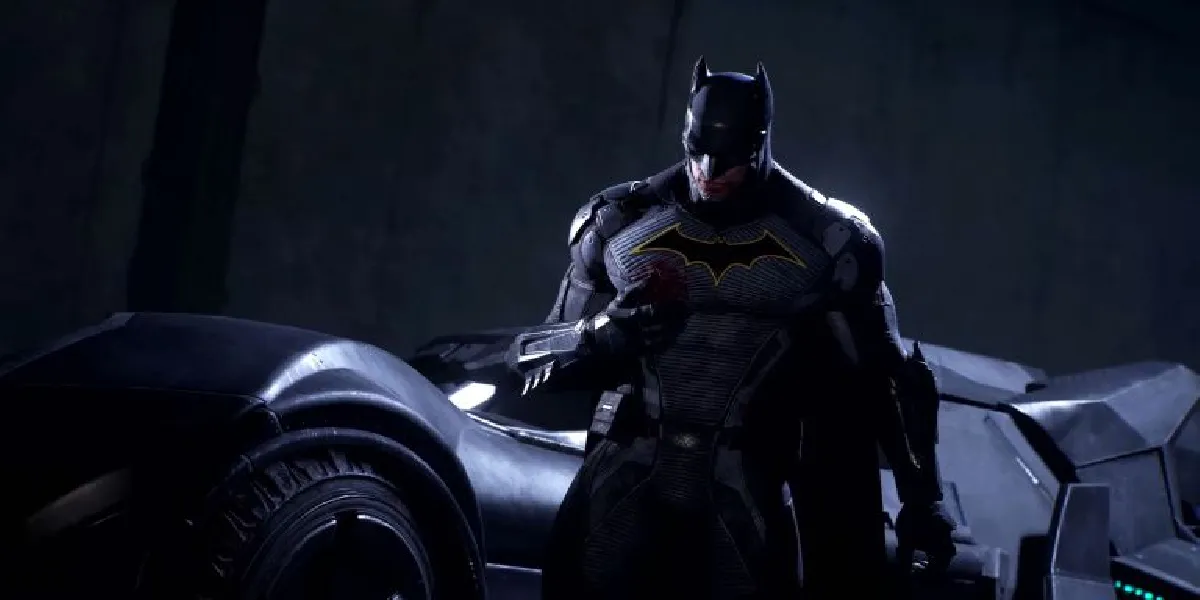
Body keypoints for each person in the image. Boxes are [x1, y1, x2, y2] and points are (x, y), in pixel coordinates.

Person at [506, 57, 956, 599]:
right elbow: (536, 354)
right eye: (698, 152)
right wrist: (600, 335)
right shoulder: (618, 220)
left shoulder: (831, 240)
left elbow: (887, 377)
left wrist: (922, 499)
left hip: (744, 481)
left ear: (760, 145)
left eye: (729, 159)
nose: (709, 171)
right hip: (628, 469)